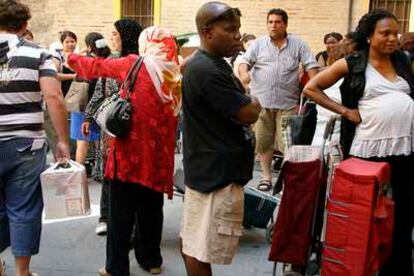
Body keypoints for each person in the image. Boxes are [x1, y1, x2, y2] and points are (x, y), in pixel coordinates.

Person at [304, 9, 414, 276]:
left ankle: (397, 271)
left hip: (406, 150)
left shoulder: (403, 60)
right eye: (385, 33)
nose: (392, 38)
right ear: (368, 36)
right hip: (368, 153)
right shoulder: (352, 63)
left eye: (395, 33)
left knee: (402, 215)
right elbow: (311, 88)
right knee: (367, 218)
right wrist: (345, 111)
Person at [68, 25, 180, 276]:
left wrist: (72, 57)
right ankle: (151, 261)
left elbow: (98, 67)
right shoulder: (174, 73)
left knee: (120, 215)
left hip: (129, 154)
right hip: (158, 157)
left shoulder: (135, 64)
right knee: (152, 209)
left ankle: (116, 267)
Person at [180, 2, 261, 276]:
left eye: (238, 29)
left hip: (208, 172)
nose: (237, 35)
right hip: (215, 178)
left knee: (193, 247)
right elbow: (248, 112)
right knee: (198, 251)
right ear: (207, 32)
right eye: (229, 29)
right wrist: (254, 101)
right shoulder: (208, 71)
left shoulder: (210, 65)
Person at [0, 1, 70, 275]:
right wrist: (62, 141)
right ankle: (22, 271)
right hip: (27, 143)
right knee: (24, 207)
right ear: (25, 25)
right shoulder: (38, 54)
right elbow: (54, 97)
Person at [238, 8, 319, 192]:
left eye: (277, 22)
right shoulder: (258, 44)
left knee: (288, 146)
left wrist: (316, 86)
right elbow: (244, 62)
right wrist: (244, 75)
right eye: (270, 22)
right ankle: (266, 177)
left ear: (285, 24)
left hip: (287, 105)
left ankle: (285, 181)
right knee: (263, 143)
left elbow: (311, 66)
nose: (273, 25)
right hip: (262, 105)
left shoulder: (298, 44)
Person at [81, 18, 142, 236]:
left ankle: (133, 223)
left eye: (116, 34)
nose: (112, 39)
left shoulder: (142, 63)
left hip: (134, 128)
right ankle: (105, 217)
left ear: (127, 36)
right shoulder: (110, 61)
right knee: (110, 172)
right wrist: (88, 118)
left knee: (132, 177)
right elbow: (99, 91)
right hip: (110, 127)